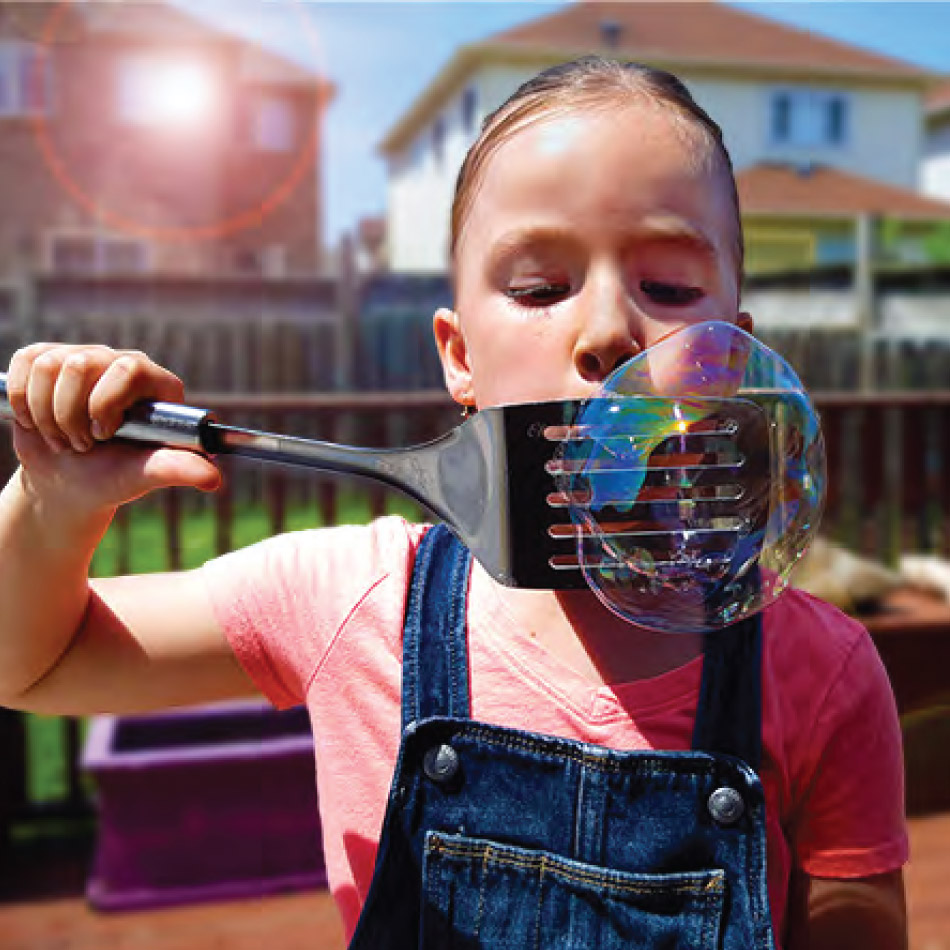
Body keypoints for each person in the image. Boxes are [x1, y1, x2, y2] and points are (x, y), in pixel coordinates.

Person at [0, 57, 907, 949]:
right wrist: (50, 503)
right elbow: (35, 665)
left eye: (668, 289)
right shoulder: (358, 600)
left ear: (729, 357)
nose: (603, 332)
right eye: (538, 289)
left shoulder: (823, 674)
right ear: (459, 356)